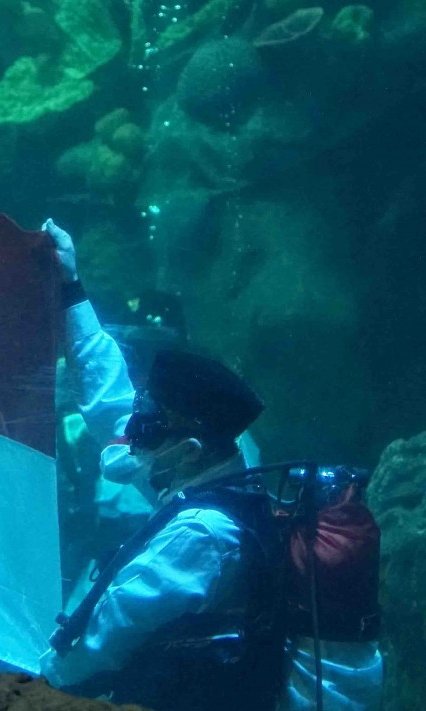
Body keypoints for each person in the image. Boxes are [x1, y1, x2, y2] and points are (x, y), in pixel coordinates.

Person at [40, 220, 382, 710]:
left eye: (149, 428)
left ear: (191, 451)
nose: (132, 437)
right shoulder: (218, 484)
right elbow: (110, 398)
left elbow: (107, 631)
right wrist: (71, 288)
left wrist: (35, 684)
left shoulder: (202, 533)